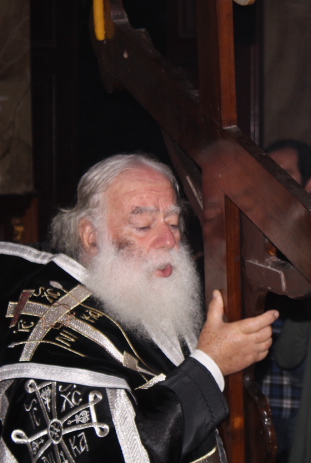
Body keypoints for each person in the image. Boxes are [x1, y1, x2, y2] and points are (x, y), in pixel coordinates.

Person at [0, 154, 279, 463]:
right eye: (144, 226)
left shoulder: (138, 295)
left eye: (173, 223)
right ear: (91, 237)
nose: (169, 240)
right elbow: (121, 451)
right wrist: (211, 364)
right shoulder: (53, 341)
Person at [258, 139, 311, 463]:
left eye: (285, 173)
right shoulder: (247, 229)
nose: (273, 181)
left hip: (302, 402)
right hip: (258, 398)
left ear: (308, 184)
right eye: (266, 172)